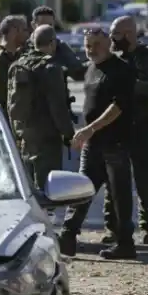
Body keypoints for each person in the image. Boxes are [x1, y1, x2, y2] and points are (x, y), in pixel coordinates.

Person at [58, 28, 136, 260]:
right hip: (93, 144)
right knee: (81, 190)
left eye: (96, 44)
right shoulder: (91, 68)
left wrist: (90, 128)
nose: (91, 50)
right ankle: (67, 237)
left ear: (109, 44)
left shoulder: (121, 70)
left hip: (115, 143)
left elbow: (118, 106)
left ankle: (125, 243)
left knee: (119, 196)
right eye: (88, 45)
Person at [100, 15, 148, 246]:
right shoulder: (111, 58)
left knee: (145, 181)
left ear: (128, 34)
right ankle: (114, 227)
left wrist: (128, 84)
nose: (111, 39)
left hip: (141, 128)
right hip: (116, 129)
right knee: (114, 182)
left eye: (115, 34)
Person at [7, 25, 75, 202]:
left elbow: (11, 103)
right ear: (52, 43)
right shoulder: (52, 68)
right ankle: (48, 224)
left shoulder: (18, 65)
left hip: (25, 136)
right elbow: (58, 107)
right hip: (47, 137)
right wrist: (68, 134)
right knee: (49, 189)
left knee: (27, 189)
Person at [0, 15, 29, 123]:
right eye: (24, 30)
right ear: (13, 31)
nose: (27, 34)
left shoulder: (15, 56)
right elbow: (1, 96)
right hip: (0, 121)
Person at [30, 6, 87, 82]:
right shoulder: (24, 47)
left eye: (50, 25)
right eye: (42, 25)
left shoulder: (60, 47)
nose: (46, 29)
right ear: (33, 25)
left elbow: (78, 71)